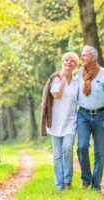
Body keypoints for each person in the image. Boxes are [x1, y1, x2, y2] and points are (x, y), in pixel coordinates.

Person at [76, 45, 104, 191]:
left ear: (93, 57)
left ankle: (96, 184)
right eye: (81, 55)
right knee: (82, 147)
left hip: (101, 116)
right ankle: (86, 179)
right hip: (83, 116)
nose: (82, 57)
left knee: (99, 152)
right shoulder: (78, 74)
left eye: (84, 55)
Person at [42, 52, 79, 190]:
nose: (69, 62)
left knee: (67, 148)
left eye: (72, 61)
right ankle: (59, 185)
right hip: (55, 120)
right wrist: (63, 80)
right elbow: (56, 94)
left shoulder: (77, 81)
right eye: (66, 60)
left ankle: (68, 181)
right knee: (57, 154)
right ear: (62, 62)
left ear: (76, 65)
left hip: (71, 120)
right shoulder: (55, 78)